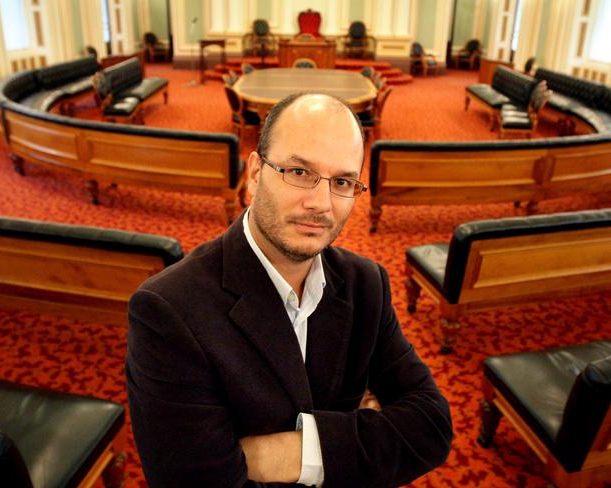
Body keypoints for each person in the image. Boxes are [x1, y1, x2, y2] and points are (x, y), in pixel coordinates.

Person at [126, 93, 453, 487]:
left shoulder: (367, 283)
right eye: (299, 172)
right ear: (254, 174)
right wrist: (362, 434)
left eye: (343, 181)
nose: (321, 204)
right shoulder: (168, 310)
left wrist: (291, 454)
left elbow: (432, 426)